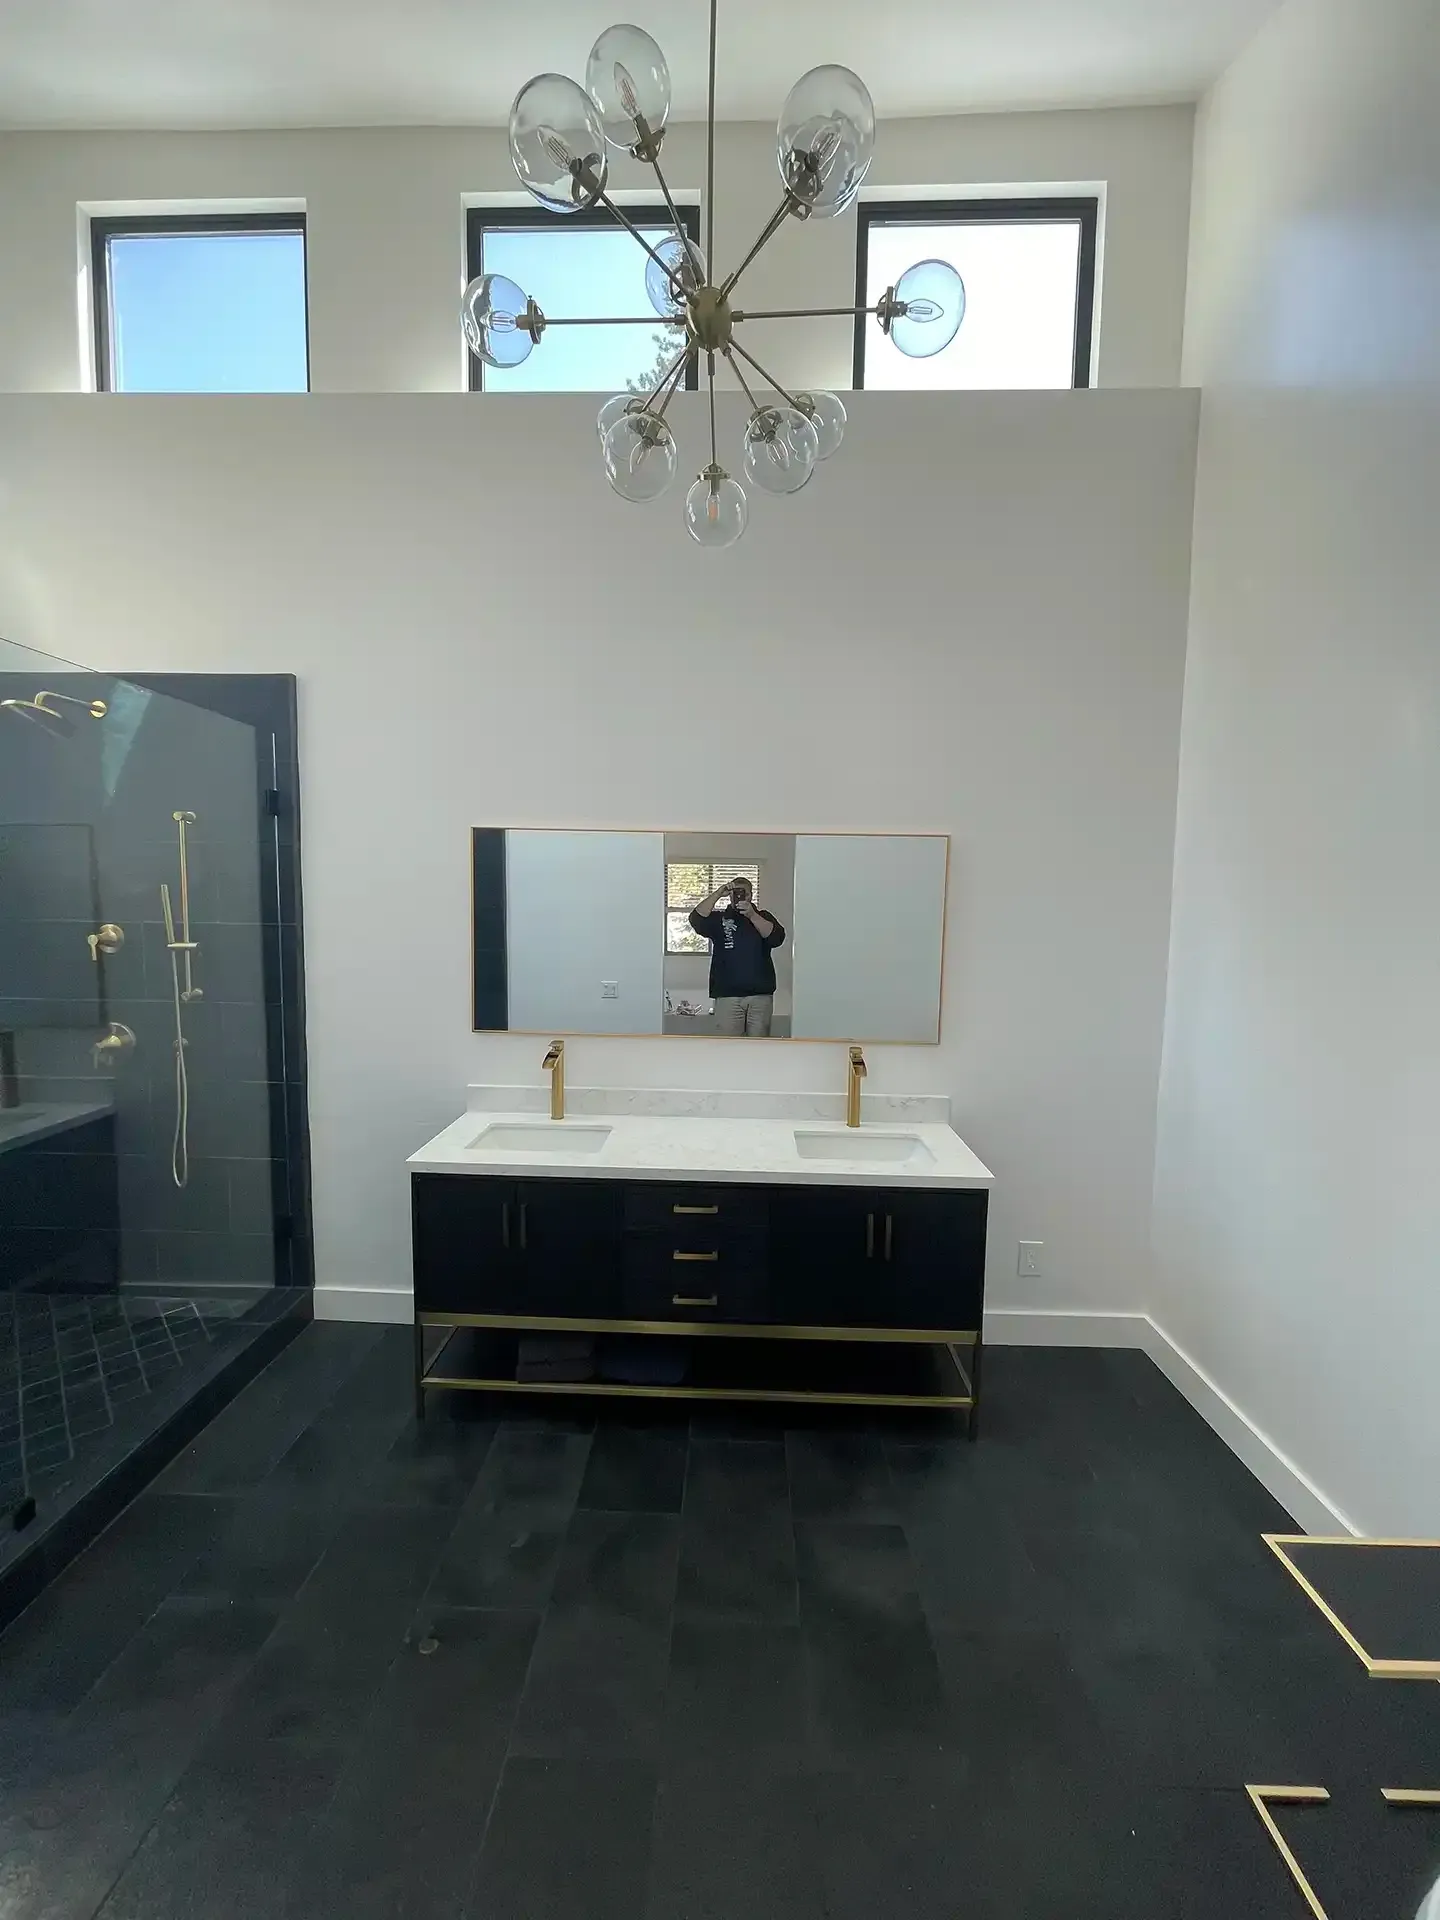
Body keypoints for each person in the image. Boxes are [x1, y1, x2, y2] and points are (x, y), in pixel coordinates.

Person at [688, 875, 786, 1036]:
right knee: (728, 1047)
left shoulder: (763, 916)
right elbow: (696, 919)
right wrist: (719, 893)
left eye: (744, 892)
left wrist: (752, 915)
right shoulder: (718, 919)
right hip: (727, 994)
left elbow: (776, 938)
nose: (739, 896)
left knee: (759, 1047)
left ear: (750, 895)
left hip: (760, 995)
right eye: (735, 892)